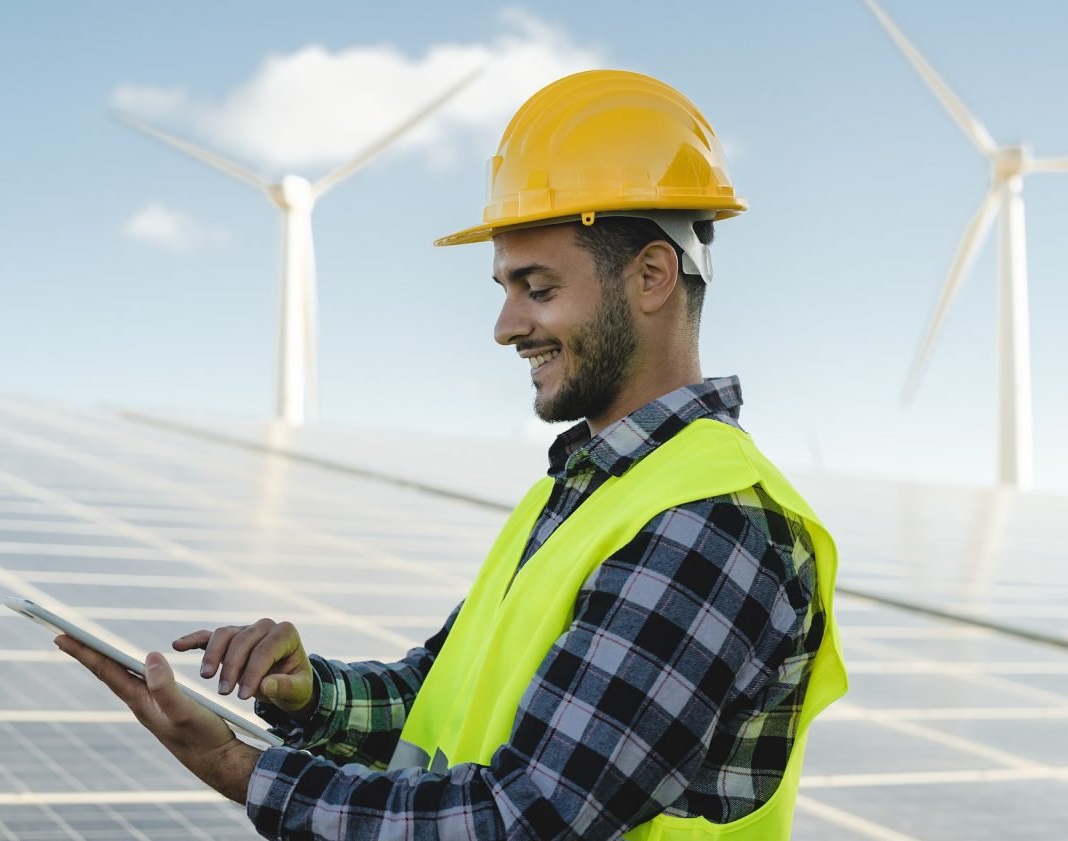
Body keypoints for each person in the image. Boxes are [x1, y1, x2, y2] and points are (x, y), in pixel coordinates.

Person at [57, 69, 846, 840]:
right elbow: (440, 696)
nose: (505, 325)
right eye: (504, 287)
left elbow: (520, 816)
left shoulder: (708, 521)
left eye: (536, 288)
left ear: (650, 276)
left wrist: (239, 767)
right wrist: (310, 696)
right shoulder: (581, 493)